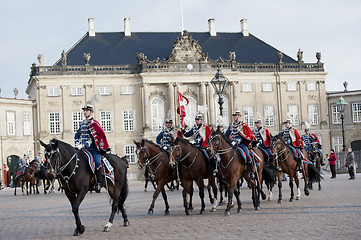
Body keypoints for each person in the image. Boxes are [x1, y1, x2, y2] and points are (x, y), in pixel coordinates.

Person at [74, 104, 111, 193]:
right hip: (83, 149)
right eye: (84, 110)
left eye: (87, 111)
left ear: (91, 112)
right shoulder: (82, 123)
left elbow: (95, 138)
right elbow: (77, 134)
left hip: (93, 149)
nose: (85, 112)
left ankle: (98, 182)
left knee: (97, 162)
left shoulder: (94, 123)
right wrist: (76, 142)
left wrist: (84, 145)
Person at [225, 111, 256, 179]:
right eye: (233, 116)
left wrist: (237, 141)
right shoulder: (231, 125)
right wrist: (229, 141)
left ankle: (252, 172)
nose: (234, 117)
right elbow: (226, 135)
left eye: (235, 116)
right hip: (232, 145)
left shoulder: (243, 125)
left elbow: (247, 136)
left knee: (247, 155)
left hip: (241, 144)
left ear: (239, 116)